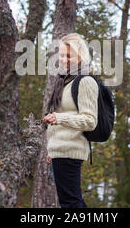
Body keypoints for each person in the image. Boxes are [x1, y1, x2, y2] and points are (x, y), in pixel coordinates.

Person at [42, 32, 99, 208]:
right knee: (70, 202)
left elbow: (90, 120)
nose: (64, 60)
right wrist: (52, 148)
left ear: (80, 56)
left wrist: (59, 117)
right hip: (60, 151)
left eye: (69, 55)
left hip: (71, 150)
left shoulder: (85, 81)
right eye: (61, 56)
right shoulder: (65, 83)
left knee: (71, 203)